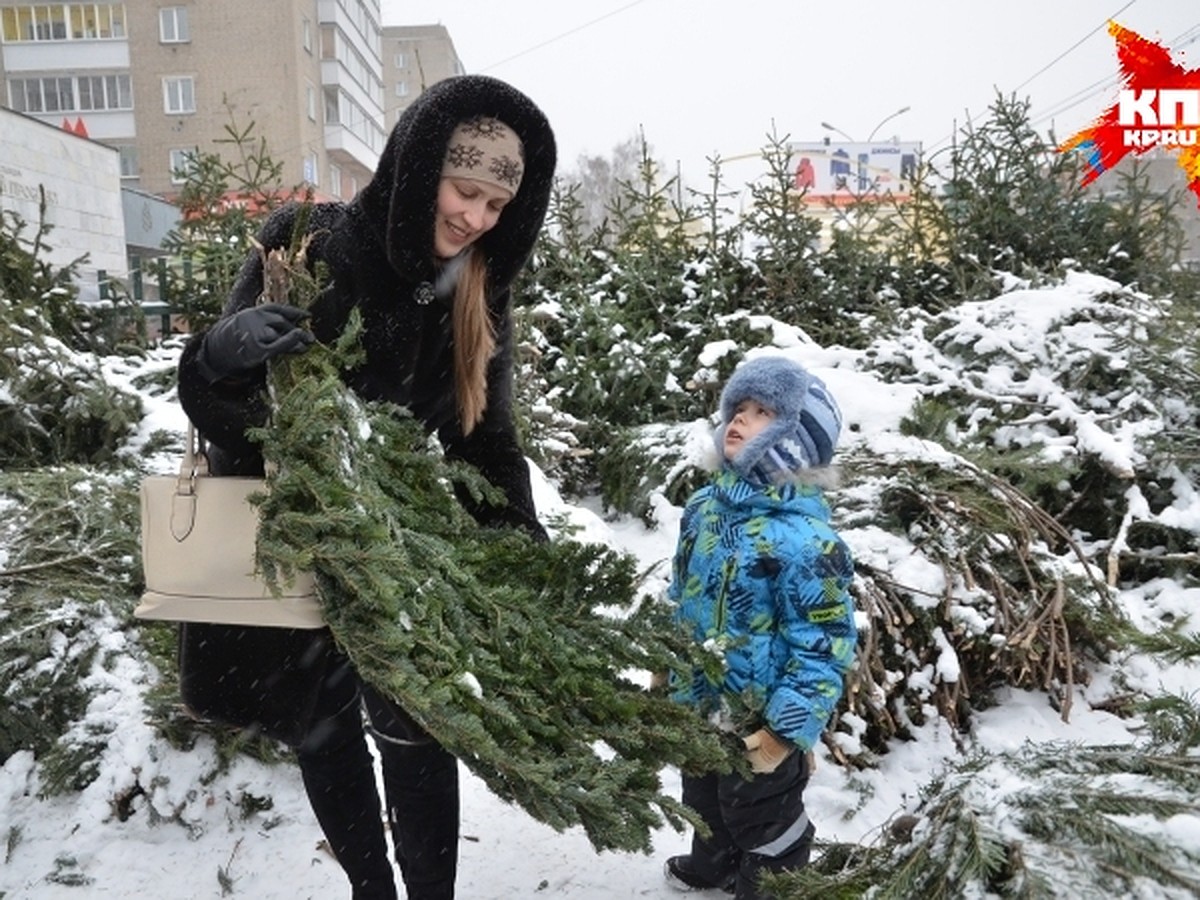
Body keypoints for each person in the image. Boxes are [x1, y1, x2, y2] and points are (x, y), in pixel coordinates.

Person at [174, 74, 556, 900]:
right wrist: (220, 356)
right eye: (465, 190)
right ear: (420, 168)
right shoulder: (309, 243)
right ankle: (370, 890)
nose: (476, 218)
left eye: (497, 204)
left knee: (419, 733)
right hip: (298, 542)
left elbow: (486, 438)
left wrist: (528, 554)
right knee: (324, 731)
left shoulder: (478, 293)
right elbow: (230, 415)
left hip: (402, 554)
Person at [663, 355, 858, 899]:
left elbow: (824, 646)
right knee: (702, 791)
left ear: (793, 440)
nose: (739, 420)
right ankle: (715, 863)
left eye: (762, 412)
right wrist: (666, 663)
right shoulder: (704, 507)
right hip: (701, 696)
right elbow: (683, 592)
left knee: (761, 813)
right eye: (738, 407)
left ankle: (773, 885)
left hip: (762, 711)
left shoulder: (804, 540)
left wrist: (783, 732)